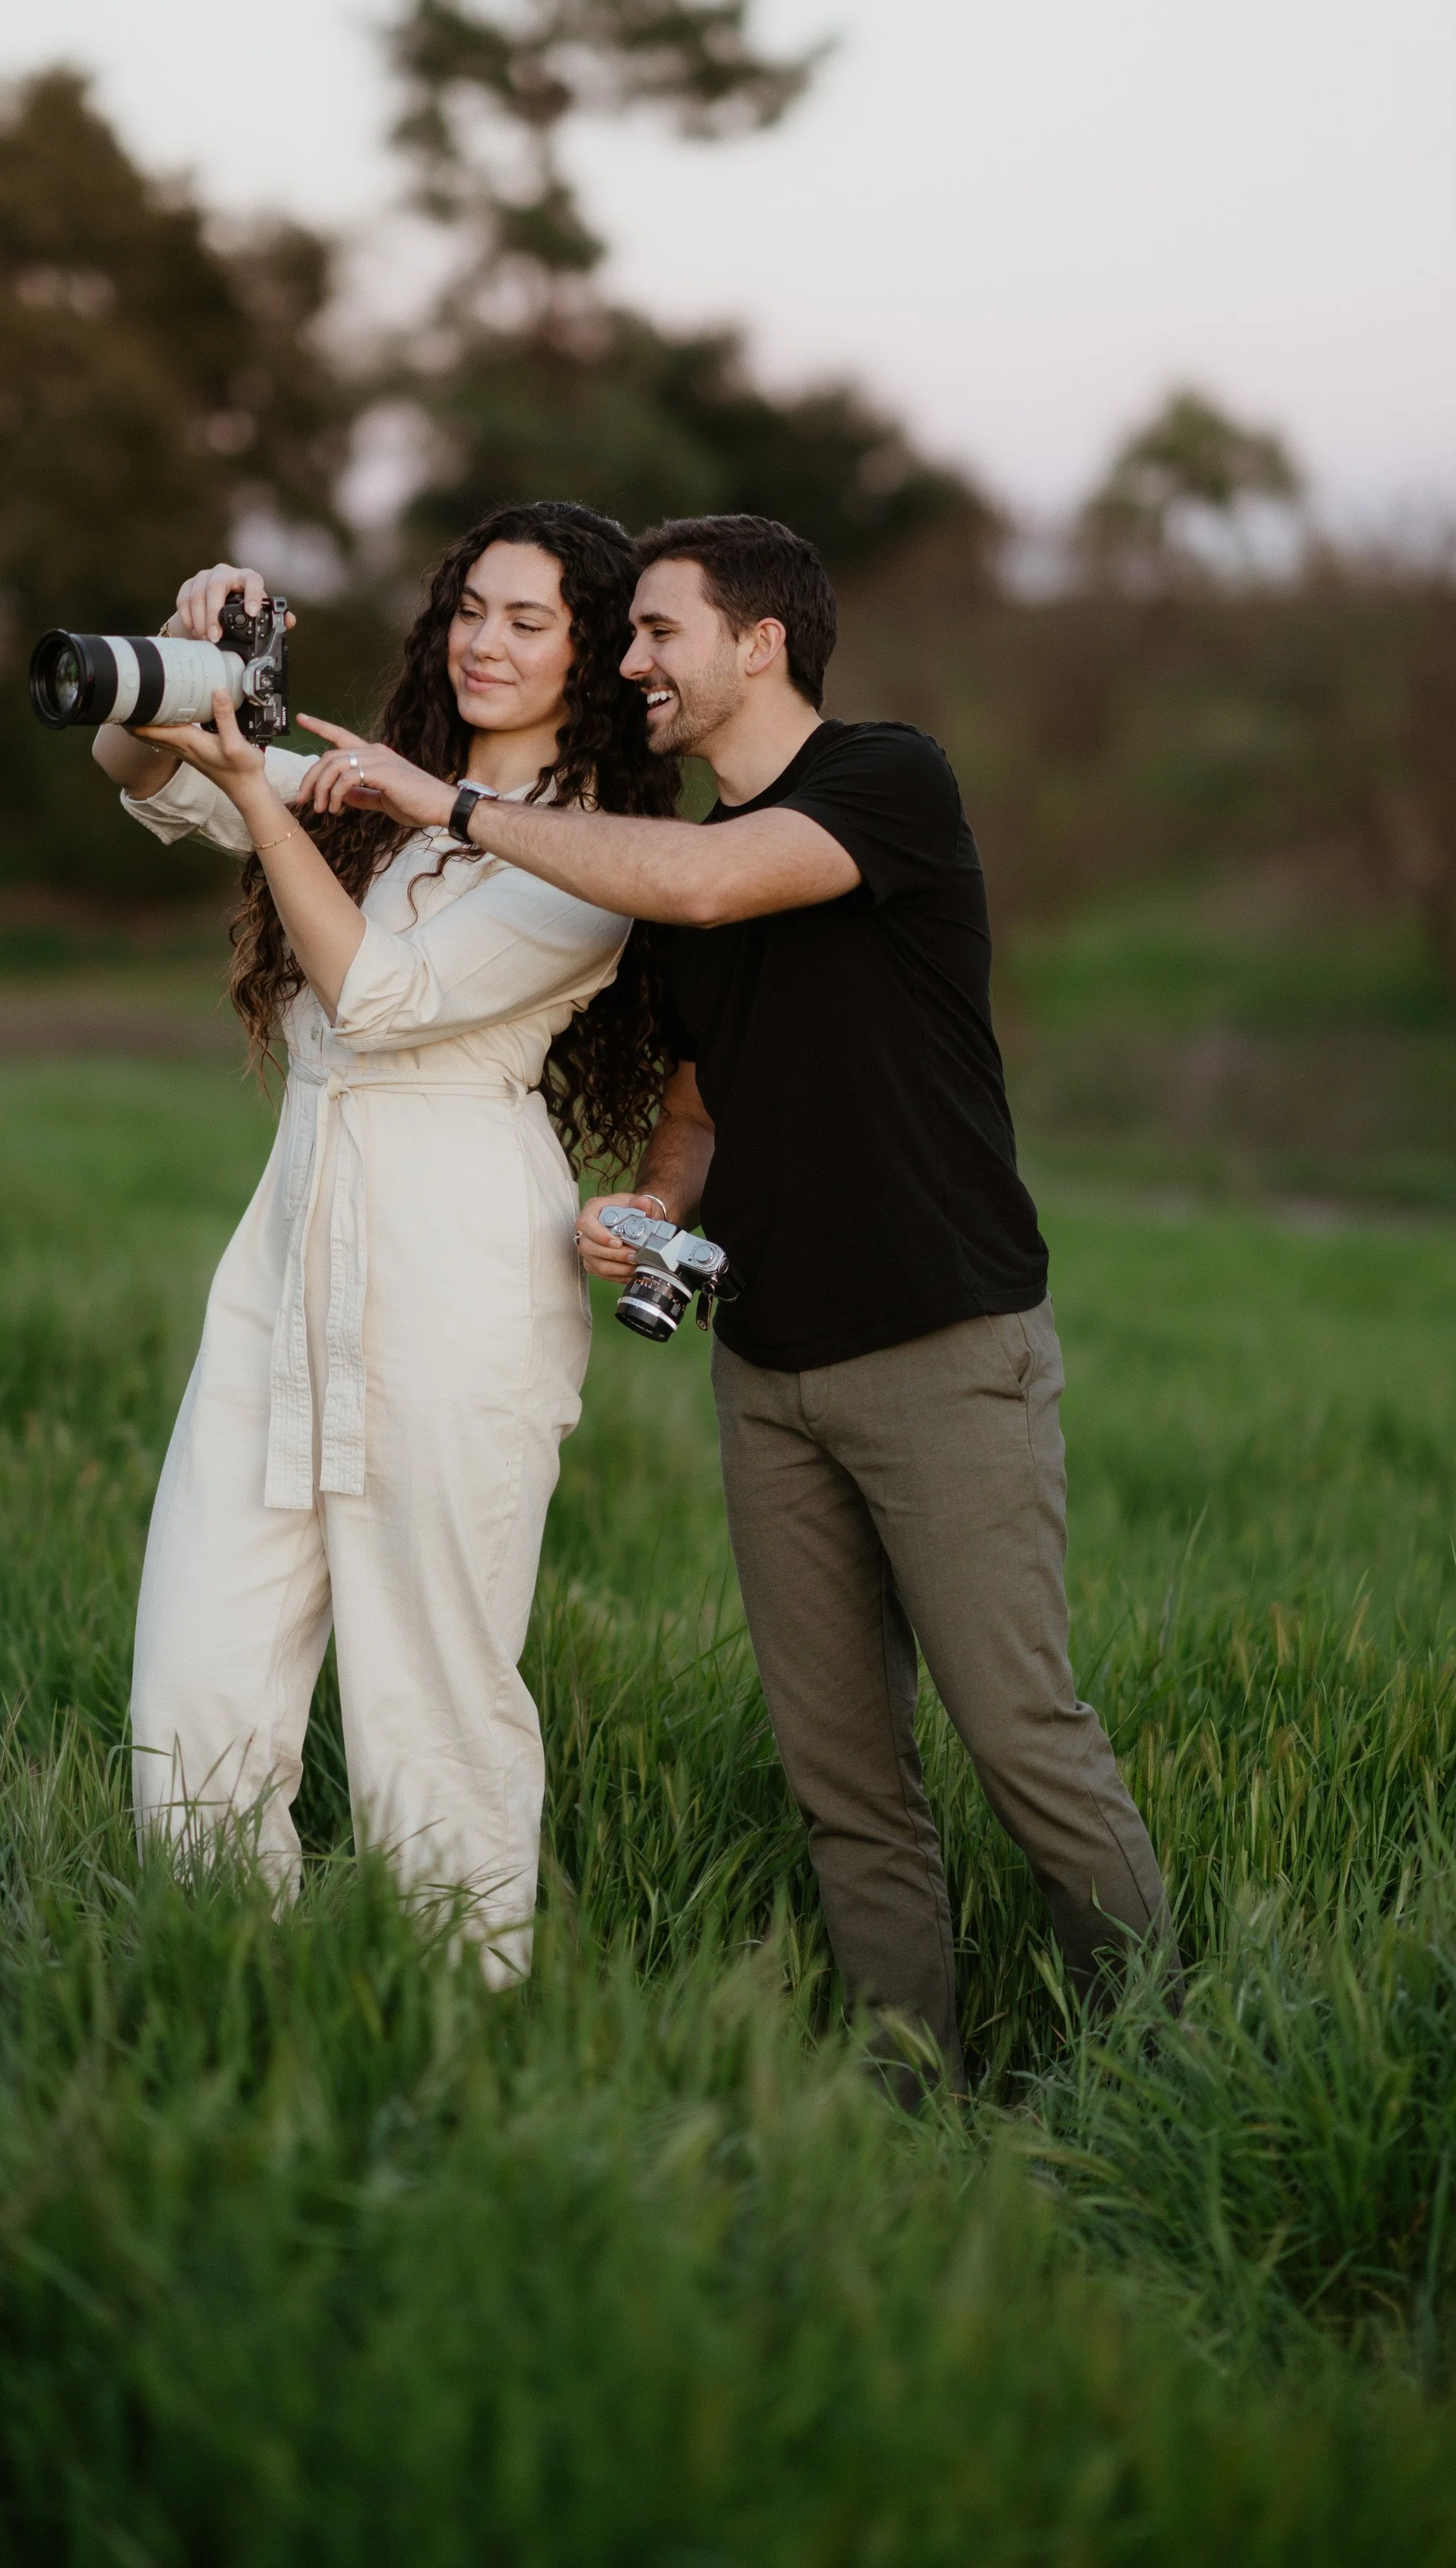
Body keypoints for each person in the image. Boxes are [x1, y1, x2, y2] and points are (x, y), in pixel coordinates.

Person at [294, 510, 1172, 2082]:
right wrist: (655, 1199)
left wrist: (451, 798)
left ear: (757, 641)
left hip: (940, 1348)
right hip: (765, 1367)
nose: (625, 662)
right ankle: (907, 2086)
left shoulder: (880, 783)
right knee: (842, 1775)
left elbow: (707, 888)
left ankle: (1160, 2058)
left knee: (1019, 1738)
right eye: (621, 634)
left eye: (654, 633)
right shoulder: (671, 861)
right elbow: (698, 1095)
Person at [92, 502, 678, 1984]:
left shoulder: (598, 852)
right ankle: (233, 1989)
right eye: (471, 607)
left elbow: (386, 1000)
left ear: (593, 654)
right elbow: (142, 777)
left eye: (528, 620)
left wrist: (268, 794)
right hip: (287, 1261)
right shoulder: (357, 782)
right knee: (197, 1670)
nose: (485, 639)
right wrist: (178, 665)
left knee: (433, 1689)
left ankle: (460, 2016)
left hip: (461, 1273)